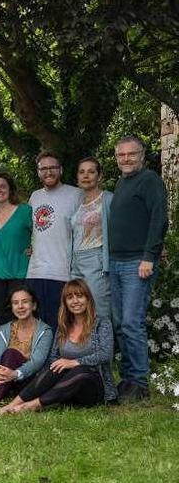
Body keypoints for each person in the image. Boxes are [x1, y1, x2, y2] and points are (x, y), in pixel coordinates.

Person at [0, 279, 117, 413]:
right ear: (65, 302)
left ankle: (32, 406)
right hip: (66, 388)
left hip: (93, 387)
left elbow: (105, 355)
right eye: (70, 297)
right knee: (56, 366)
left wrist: (74, 363)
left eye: (79, 296)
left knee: (80, 370)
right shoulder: (64, 326)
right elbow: (54, 357)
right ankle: (13, 404)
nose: (75, 301)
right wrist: (63, 367)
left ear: (88, 299)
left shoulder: (102, 323)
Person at [108, 136, 169, 402]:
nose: (126, 159)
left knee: (132, 323)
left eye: (131, 154)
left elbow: (159, 218)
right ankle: (128, 378)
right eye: (121, 155)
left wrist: (149, 256)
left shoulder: (150, 180)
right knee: (121, 324)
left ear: (142, 155)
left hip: (137, 262)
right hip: (116, 262)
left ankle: (140, 383)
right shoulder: (122, 183)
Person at [0, 285, 52, 408]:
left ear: (33, 305)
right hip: (7, 379)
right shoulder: (4, 329)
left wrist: (14, 374)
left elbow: (37, 362)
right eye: (15, 303)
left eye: (25, 302)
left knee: (11, 353)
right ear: (12, 307)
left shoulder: (45, 331)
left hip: (30, 379)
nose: (20, 306)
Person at [27, 152, 82, 328]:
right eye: (44, 168)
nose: (48, 172)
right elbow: (28, 229)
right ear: (38, 172)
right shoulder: (35, 196)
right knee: (37, 326)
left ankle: (58, 357)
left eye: (52, 168)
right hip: (35, 272)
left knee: (61, 325)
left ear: (61, 170)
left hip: (61, 272)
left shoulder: (76, 195)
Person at [0, 173, 33, 327]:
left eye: (3, 186)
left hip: (19, 275)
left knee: (21, 322)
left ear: (10, 188)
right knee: (1, 323)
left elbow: (43, 234)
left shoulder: (25, 211)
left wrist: (35, 248)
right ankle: (6, 352)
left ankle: (23, 351)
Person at [70, 157, 113, 325]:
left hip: (97, 258)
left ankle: (106, 350)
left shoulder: (108, 199)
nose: (86, 176)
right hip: (76, 261)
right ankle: (86, 349)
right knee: (78, 311)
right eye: (82, 172)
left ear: (99, 176)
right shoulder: (77, 203)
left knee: (99, 310)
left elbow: (126, 226)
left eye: (91, 172)